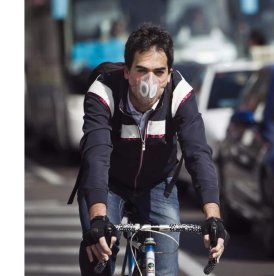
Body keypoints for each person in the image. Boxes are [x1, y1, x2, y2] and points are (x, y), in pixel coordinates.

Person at [68, 22, 229, 276]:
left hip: (157, 183)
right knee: (98, 254)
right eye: (141, 70)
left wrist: (213, 217)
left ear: (169, 73)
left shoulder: (180, 93)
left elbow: (198, 153)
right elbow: (96, 155)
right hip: (109, 182)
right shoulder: (103, 92)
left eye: (158, 71)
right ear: (126, 71)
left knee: (165, 270)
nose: (149, 81)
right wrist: (98, 218)